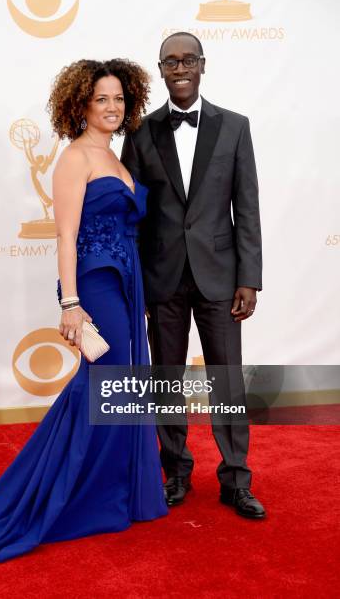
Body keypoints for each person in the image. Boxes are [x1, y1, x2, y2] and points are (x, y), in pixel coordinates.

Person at [0, 59, 168, 563]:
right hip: (97, 282)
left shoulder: (116, 157)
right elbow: (65, 235)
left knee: (118, 387)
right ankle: (70, 497)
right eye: (102, 100)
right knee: (107, 382)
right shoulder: (75, 157)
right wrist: (70, 303)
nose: (112, 107)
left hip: (127, 281)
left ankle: (111, 489)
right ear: (82, 106)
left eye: (119, 98)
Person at [121, 32, 266, 518]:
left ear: (202, 65)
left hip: (221, 277)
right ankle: (176, 472)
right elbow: (131, 215)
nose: (179, 68)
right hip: (161, 276)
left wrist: (250, 277)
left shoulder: (235, 127)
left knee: (227, 381)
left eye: (188, 60)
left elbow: (247, 209)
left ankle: (236, 479)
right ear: (160, 69)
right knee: (167, 378)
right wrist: (133, 282)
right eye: (170, 61)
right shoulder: (140, 133)